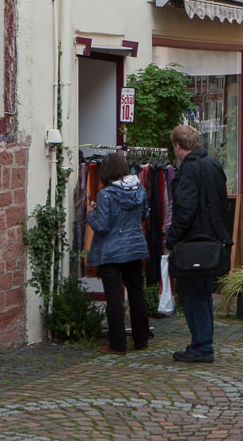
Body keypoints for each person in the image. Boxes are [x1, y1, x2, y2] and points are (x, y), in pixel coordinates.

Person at [166, 125, 232, 363]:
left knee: (192, 296)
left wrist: (171, 240)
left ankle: (202, 346)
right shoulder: (213, 165)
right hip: (212, 241)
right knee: (203, 295)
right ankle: (203, 343)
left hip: (193, 243)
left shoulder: (189, 170)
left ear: (177, 146)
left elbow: (185, 210)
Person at [87, 152, 151, 355]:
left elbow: (103, 226)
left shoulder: (106, 194)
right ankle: (141, 339)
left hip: (112, 251)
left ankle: (118, 344)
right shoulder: (138, 189)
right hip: (134, 248)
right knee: (136, 294)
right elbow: (145, 215)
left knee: (114, 297)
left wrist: (90, 213)